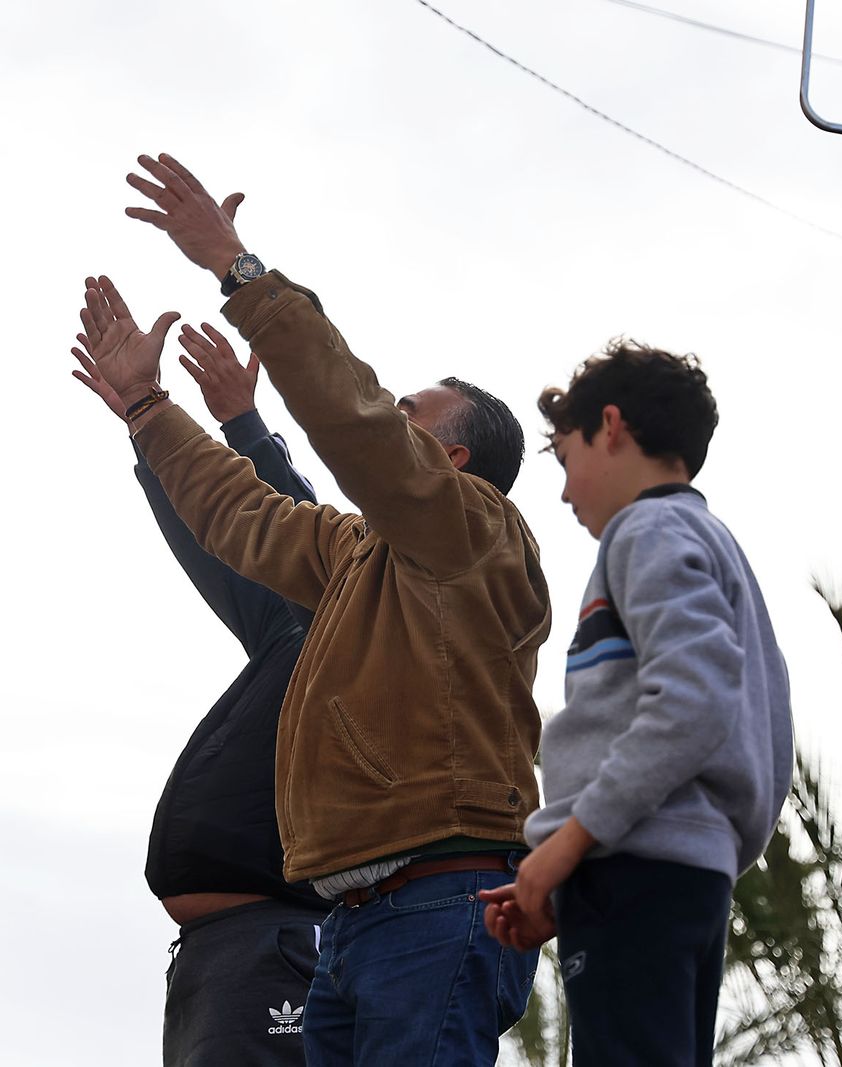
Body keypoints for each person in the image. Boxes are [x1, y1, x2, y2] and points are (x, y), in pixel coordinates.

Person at [68, 152, 550, 1065]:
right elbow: (244, 515)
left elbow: (350, 417)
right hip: (359, 918)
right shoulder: (358, 554)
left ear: (449, 465)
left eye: (408, 412)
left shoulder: (476, 530)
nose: (384, 417)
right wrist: (145, 405)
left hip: (439, 902)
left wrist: (237, 271)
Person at [479, 341, 793, 1066]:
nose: (563, 493)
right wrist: (687, 846)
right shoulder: (719, 546)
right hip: (678, 874)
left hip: (638, 870)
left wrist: (569, 842)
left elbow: (692, 703)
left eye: (563, 458)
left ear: (611, 426)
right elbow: (755, 724)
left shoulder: (645, 530)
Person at [70, 337, 328, 1065]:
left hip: (278, 946)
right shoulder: (299, 628)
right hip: (219, 958)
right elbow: (239, 540)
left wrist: (244, 426)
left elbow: (308, 544)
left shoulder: (380, 613)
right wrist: (148, 427)